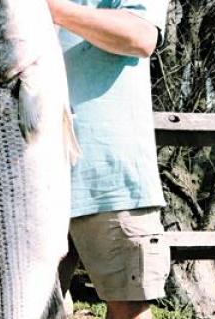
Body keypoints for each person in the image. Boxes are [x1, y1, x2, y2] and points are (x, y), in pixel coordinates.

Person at [47, 1, 171, 318]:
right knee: (29, 307)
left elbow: (140, 36)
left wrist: (47, 8)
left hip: (110, 174)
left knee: (128, 306)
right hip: (28, 181)